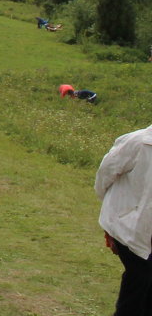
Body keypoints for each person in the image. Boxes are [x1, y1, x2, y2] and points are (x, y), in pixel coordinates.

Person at [96, 123, 152, 314]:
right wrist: (113, 213)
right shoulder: (138, 143)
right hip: (129, 228)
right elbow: (105, 174)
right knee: (140, 280)